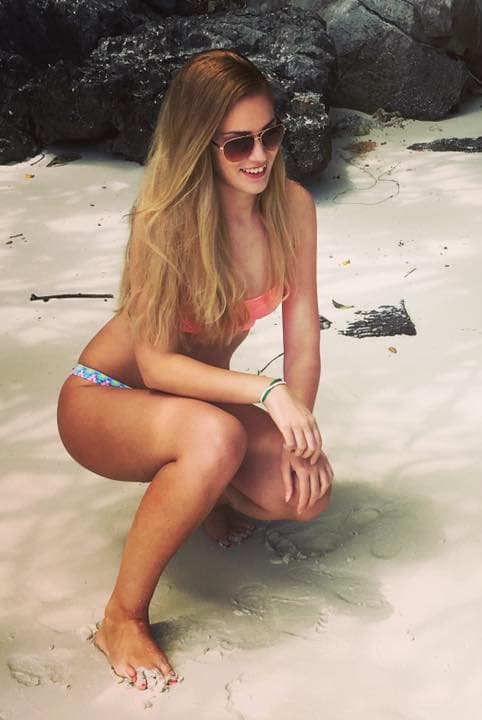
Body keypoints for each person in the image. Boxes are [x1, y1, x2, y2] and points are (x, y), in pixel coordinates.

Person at [56, 49, 334, 690]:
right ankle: (121, 618)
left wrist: (299, 431)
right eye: (238, 144)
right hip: (105, 399)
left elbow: (302, 340)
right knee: (217, 437)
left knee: (302, 494)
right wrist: (268, 392)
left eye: (270, 134)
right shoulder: (165, 225)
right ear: (199, 144)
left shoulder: (292, 207)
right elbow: (156, 366)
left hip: (198, 401)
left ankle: (205, 493)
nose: (259, 156)